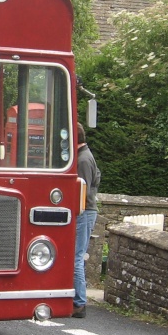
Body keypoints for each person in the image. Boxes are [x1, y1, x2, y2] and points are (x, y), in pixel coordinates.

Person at [73, 122, 100, 318]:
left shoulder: (83, 160)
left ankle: (80, 303)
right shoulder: (84, 156)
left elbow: (81, 191)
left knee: (76, 257)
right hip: (86, 211)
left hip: (84, 212)